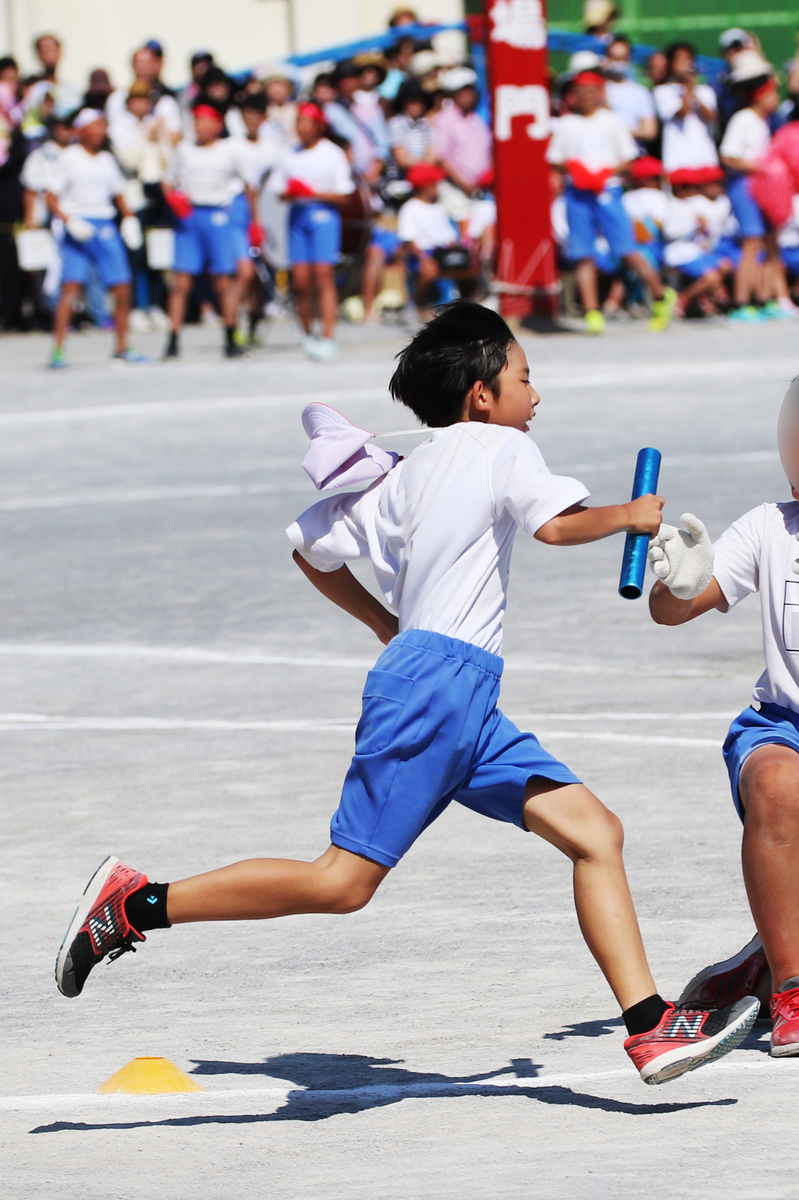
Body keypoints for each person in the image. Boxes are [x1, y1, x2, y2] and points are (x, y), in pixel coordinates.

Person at [55, 301, 760, 1086]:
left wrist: (388, 625)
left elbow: (311, 551)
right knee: (341, 883)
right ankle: (133, 903)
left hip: (457, 693)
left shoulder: (411, 469)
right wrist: (628, 517)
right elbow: (555, 528)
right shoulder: (500, 446)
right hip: (437, 688)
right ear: (481, 395)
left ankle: (648, 1027)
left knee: (594, 831)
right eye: (526, 378)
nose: (536, 395)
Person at [648, 377, 799, 1056]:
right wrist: (676, 583)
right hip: (783, 727)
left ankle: (762, 961)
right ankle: (791, 986)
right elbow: (672, 609)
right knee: (775, 786)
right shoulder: (771, 526)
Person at [546, 69, 677, 334]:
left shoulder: (612, 121)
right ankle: (592, 311)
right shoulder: (567, 124)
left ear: (599, 94)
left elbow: (629, 159)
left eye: (590, 92)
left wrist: (605, 173)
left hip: (608, 191)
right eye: (580, 93)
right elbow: (555, 158)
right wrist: (575, 169)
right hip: (578, 193)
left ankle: (661, 296)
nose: (585, 98)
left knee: (626, 248)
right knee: (582, 253)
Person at [45, 108, 145, 366]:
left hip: (104, 224)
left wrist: (130, 218)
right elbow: (51, 196)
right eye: (95, 126)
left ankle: (123, 345)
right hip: (78, 225)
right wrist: (69, 221)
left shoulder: (106, 160)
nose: (100, 132)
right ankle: (58, 349)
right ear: (82, 130)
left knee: (122, 286)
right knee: (71, 287)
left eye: (103, 126)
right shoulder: (70, 158)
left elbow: (118, 193)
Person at [161, 101, 257, 359]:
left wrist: (253, 222)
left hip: (218, 214)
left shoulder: (229, 151)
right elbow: (167, 181)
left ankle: (230, 334)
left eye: (204, 123)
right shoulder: (184, 150)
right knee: (181, 280)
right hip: (190, 216)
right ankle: (172, 338)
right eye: (196, 123)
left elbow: (249, 185)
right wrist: (174, 201)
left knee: (223, 280)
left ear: (217, 125)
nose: (199, 128)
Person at [267, 101, 354, 361]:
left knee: (323, 275)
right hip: (298, 216)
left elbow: (345, 195)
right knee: (301, 280)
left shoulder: (332, 153)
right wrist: (292, 192)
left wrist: (313, 192)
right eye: (298, 123)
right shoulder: (289, 152)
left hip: (324, 215)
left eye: (306, 123)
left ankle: (328, 334)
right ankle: (306, 333)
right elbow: (278, 190)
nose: (301, 129)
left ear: (318, 126)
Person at [719, 60, 791, 321]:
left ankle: (763, 299)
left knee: (764, 242)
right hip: (744, 186)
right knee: (751, 243)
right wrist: (759, 167)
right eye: (772, 93)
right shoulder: (744, 119)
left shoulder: (764, 121)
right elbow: (728, 156)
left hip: (761, 187)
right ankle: (740, 303)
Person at [432, 67, 492, 224]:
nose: (468, 95)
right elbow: (441, 157)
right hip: (456, 191)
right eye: (462, 91)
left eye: (470, 90)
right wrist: (465, 184)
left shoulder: (476, 119)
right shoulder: (445, 119)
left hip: (481, 191)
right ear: (452, 94)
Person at [397, 161, 459, 309]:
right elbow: (409, 240)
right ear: (425, 186)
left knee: (467, 267)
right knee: (429, 270)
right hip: (422, 255)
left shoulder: (439, 207)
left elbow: (449, 237)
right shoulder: (410, 208)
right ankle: (417, 303)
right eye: (435, 184)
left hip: (441, 253)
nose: (438, 188)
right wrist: (424, 259)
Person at [654, 43, 719, 175]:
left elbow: (711, 117)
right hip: (677, 161)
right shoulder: (662, 91)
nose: (684, 63)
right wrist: (688, 90)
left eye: (688, 59)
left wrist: (693, 91)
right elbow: (682, 113)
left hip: (705, 159)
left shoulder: (705, 91)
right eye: (679, 59)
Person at [324, 60, 387, 186]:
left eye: (352, 78)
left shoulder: (371, 108)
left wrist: (375, 170)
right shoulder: (329, 111)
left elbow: (383, 144)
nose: (348, 83)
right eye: (343, 80)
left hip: (370, 179)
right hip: (344, 177)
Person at [603, 35, 657, 150]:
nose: (618, 64)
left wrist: (619, 132)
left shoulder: (640, 92)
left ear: (629, 59)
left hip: (635, 152)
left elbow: (649, 131)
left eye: (622, 58)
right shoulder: (599, 89)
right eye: (614, 58)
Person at [29, 33, 81, 117]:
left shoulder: (70, 86)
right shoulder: (33, 88)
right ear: (38, 55)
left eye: (51, 49)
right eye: (44, 50)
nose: (49, 54)